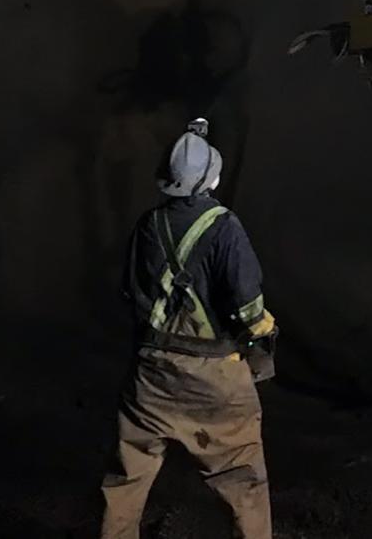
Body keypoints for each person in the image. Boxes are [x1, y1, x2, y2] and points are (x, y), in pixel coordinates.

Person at [99, 118, 276, 539]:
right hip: (214, 380)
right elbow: (249, 307)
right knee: (243, 477)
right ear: (212, 176)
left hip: (152, 376)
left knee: (126, 479)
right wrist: (261, 343)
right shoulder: (226, 229)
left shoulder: (148, 225)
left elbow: (131, 291)